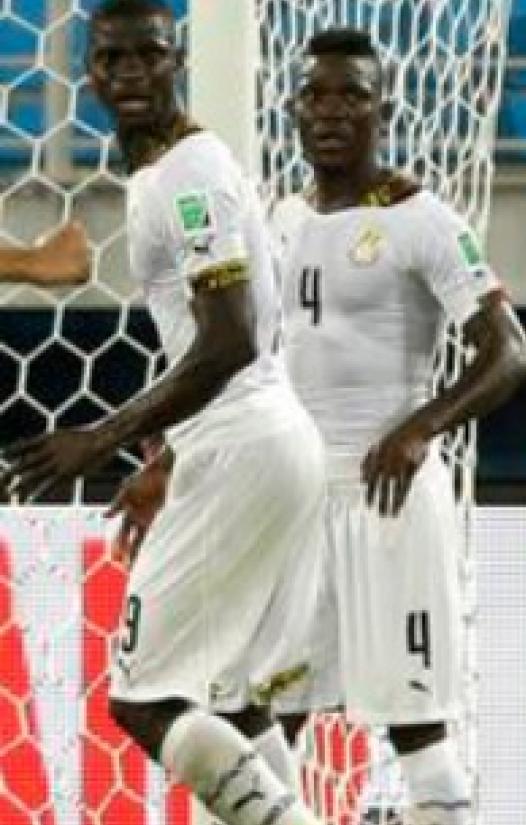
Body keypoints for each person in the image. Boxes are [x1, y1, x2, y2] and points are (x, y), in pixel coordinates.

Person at [0, 2, 328, 822]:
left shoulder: (190, 175)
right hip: (258, 442)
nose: (132, 72)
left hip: (246, 442)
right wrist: (165, 461)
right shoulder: (163, 172)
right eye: (114, 59)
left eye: (150, 53)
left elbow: (231, 340)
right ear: (90, 73)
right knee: (233, 699)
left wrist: (99, 438)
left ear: (177, 58)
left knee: (145, 702)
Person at [266, 28, 526, 825]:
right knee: (272, 716)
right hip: (299, 503)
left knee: (415, 722)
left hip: (390, 498)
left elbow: (511, 351)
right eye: (317, 93)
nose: (332, 109)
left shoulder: (421, 218)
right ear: (294, 109)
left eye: (351, 93)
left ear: (382, 106)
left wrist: (422, 425)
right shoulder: (281, 218)